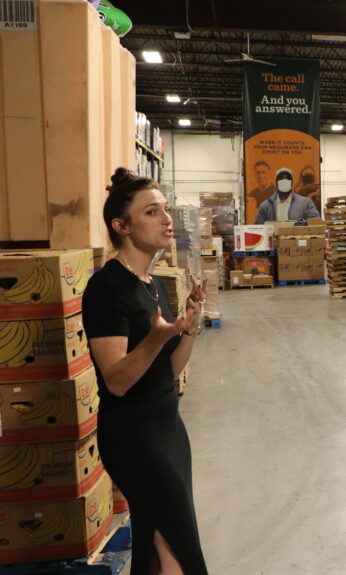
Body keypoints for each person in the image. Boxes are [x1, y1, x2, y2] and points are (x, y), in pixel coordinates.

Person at [83, 168, 209, 575]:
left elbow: (167, 372)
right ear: (122, 226)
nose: (167, 219)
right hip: (134, 438)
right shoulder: (107, 287)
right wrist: (155, 338)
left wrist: (188, 326)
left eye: (166, 210)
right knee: (177, 550)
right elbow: (117, 380)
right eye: (152, 212)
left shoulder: (149, 283)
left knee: (159, 547)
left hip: (168, 430)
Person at [254, 167, 321, 224]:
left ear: (292, 183)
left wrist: (300, 224)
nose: (284, 182)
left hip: (296, 238)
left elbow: (316, 222)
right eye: (281, 180)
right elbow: (258, 228)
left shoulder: (305, 203)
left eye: (287, 179)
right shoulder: (266, 206)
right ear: (276, 183)